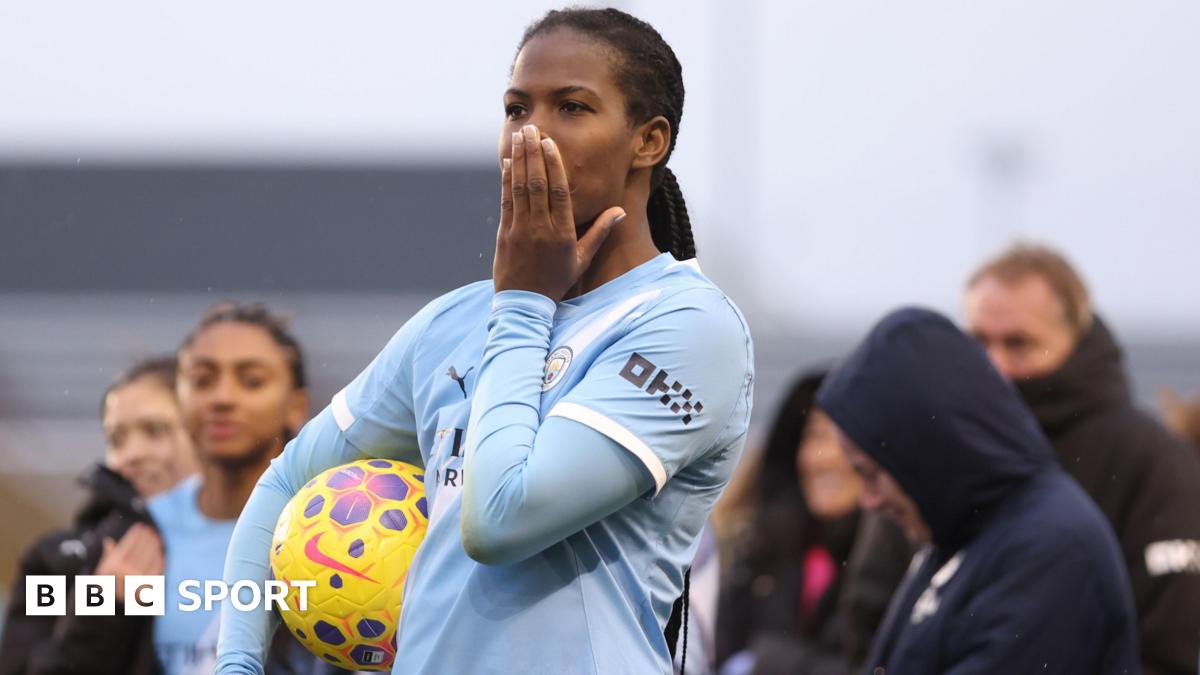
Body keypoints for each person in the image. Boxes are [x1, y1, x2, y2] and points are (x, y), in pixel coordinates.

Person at [216, 7, 754, 674]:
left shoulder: (689, 326)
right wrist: (236, 665)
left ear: (649, 141)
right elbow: (284, 484)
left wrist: (525, 301)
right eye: (516, 109)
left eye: (572, 107)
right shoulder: (455, 322)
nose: (532, 134)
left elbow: (501, 521)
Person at [817, 307, 1137, 674]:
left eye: (872, 473)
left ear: (922, 447)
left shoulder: (1050, 552)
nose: (869, 501)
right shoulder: (967, 532)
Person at [965, 243, 1200, 675]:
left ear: (1074, 337)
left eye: (1019, 343)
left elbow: (1167, 655)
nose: (994, 365)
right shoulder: (947, 452)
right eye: (979, 341)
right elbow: (874, 619)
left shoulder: (1152, 462)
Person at [153, 302, 339, 674]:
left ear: (297, 405)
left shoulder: (338, 528)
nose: (222, 398)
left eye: (252, 381)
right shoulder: (138, 532)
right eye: (202, 380)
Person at [0, 356, 195, 674]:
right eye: (116, 439)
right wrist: (103, 603)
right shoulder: (56, 563)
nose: (131, 454)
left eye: (155, 431)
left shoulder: (260, 546)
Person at [716, 372, 911, 675]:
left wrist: (770, 663)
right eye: (815, 435)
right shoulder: (761, 547)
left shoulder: (904, 566)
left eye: (847, 439)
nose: (825, 457)